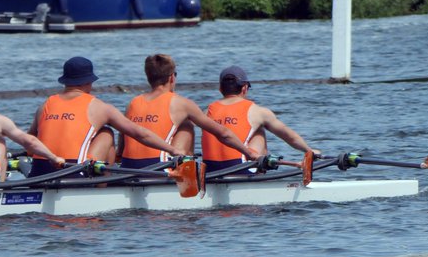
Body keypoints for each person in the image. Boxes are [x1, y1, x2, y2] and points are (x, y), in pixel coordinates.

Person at [28, 56, 186, 177]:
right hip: (73, 175)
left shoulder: (44, 105)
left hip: (38, 173)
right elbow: (140, 134)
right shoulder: (100, 108)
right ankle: (103, 188)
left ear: (66, 81)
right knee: (106, 133)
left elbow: (29, 142)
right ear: (89, 81)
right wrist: (172, 149)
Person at [119, 54, 263, 169]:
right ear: (172, 77)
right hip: (158, 169)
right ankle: (188, 177)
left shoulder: (132, 103)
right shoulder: (182, 103)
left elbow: (120, 150)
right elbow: (223, 134)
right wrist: (248, 153)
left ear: (148, 77)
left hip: (127, 167)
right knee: (187, 125)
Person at [202, 65, 318, 172]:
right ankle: (259, 176)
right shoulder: (258, 112)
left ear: (220, 89)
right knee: (259, 130)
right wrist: (310, 151)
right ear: (245, 88)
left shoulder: (206, 112)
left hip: (210, 171)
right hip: (240, 169)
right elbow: (290, 137)